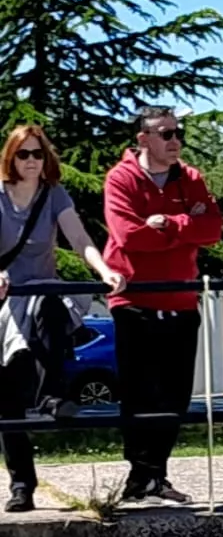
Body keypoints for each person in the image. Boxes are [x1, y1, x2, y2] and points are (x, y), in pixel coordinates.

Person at [0, 125, 125, 512]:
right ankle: (22, 485)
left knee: (51, 306)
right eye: (24, 155)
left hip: (42, 293)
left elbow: (80, 238)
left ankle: (54, 394)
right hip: (6, 300)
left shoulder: (54, 195)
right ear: (10, 158)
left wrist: (104, 271)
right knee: (7, 401)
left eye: (38, 154)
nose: (32, 161)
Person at [102, 108, 223, 506]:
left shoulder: (190, 178)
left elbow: (212, 230)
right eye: (166, 133)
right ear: (143, 139)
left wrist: (168, 225)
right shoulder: (122, 179)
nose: (175, 141)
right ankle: (142, 477)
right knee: (140, 395)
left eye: (178, 133)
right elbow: (128, 236)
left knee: (174, 397)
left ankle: (154, 478)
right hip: (134, 301)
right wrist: (186, 223)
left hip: (181, 299)